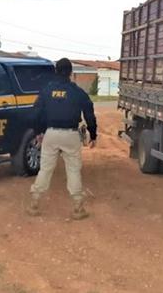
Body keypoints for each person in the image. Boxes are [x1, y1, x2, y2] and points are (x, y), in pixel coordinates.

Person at [27, 58, 97, 220]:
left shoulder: (46, 91)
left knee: (45, 169)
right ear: (71, 73)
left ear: (56, 72)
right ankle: (78, 207)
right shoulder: (77, 92)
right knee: (73, 169)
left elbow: (35, 113)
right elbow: (89, 112)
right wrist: (93, 134)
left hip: (51, 134)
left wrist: (39, 132)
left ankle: (34, 203)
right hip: (71, 135)